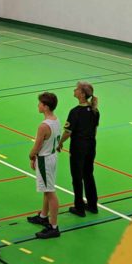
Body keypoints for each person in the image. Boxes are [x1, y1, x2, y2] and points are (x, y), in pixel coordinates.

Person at [58, 81, 100, 217]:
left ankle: (79, 208)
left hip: (78, 148)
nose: (74, 90)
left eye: (76, 89)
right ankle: (92, 205)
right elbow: (94, 131)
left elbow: (68, 132)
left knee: (77, 177)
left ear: (82, 94)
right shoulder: (95, 111)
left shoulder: (75, 112)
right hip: (91, 146)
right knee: (88, 174)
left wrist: (60, 143)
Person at [27, 92, 62, 239]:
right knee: (47, 190)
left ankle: (53, 227)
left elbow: (37, 146)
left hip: (45, 160)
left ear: (46, 107)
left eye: (40, 103)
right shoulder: (56, 120)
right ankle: (43, 216)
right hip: (52, 156)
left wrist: (31, 156)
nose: (38, 105)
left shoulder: (43, 126)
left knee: (50, 192)